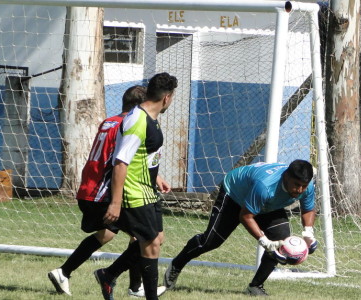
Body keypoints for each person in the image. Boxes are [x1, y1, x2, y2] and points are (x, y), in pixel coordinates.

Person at [48, 85, 160, 297]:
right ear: (141, 106)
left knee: (106, 234)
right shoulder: (127, 126)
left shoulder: (109, 122)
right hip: (101, 193)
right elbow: (120, 161)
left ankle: (63, 272)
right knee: (148, 237)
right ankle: (131, 285)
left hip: (87, 188)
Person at [162, 160, 318, 297]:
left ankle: (255, 286)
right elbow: (245, 216)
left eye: (303, 186)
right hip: (235, 195)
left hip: (266, 203)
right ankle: (177, 264)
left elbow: (308, 209)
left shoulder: (307, 185)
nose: (300, 190)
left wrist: (308, 233)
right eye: (297, 185)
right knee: (211, 241)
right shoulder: (265, 186)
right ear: (286, 176)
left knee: (280, 239)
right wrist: (265, 242)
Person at [92, 72, 178, 300]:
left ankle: (108, 275)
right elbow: (121, 162)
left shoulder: (151, 117)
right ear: (167, 98)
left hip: (148, 189)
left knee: (156, 239)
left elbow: (144, 154)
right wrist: (116, 203)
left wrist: (157, 177)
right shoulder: (137, 120)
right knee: (150, 245)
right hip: (134, 193)